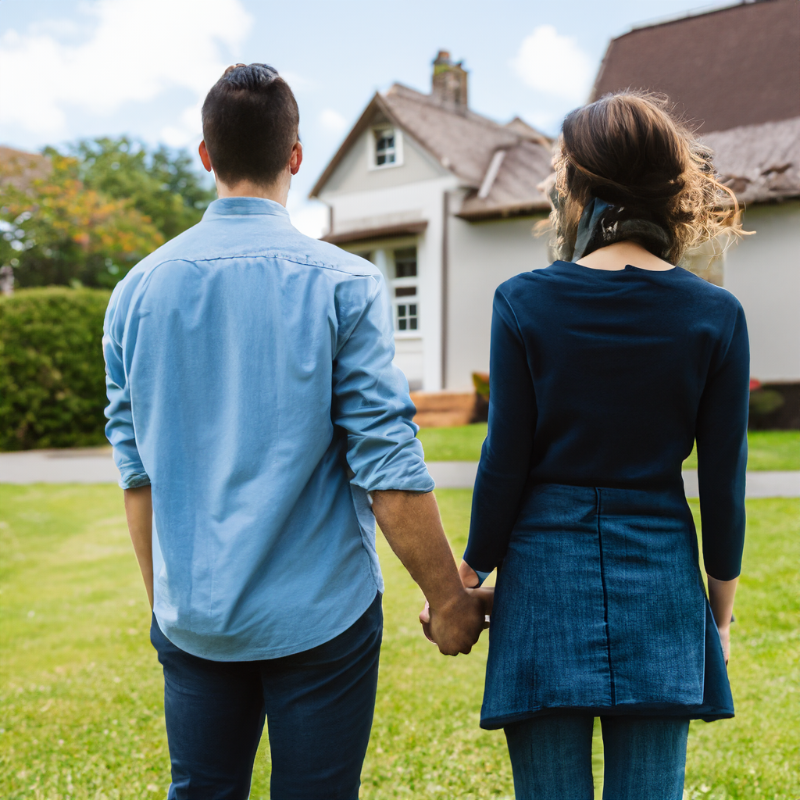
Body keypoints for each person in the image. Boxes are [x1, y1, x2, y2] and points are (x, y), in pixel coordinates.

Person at [103, 63, 485, 800]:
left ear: (206, 154)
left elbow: (136, 472)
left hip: (194, 619)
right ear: (296, 157)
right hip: (323, 618)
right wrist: (449, 600)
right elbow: (387, 463)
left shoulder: (134, 294)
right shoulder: (345, 283)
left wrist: (169, 610)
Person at [429, 91, 749, 799]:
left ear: (577, 187)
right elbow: (724, 488)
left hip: (542, 581)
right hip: (664, 588)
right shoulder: (716, 315)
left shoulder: (524, 301)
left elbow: (504, 459)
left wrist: (471, 573)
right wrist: (717, 618)